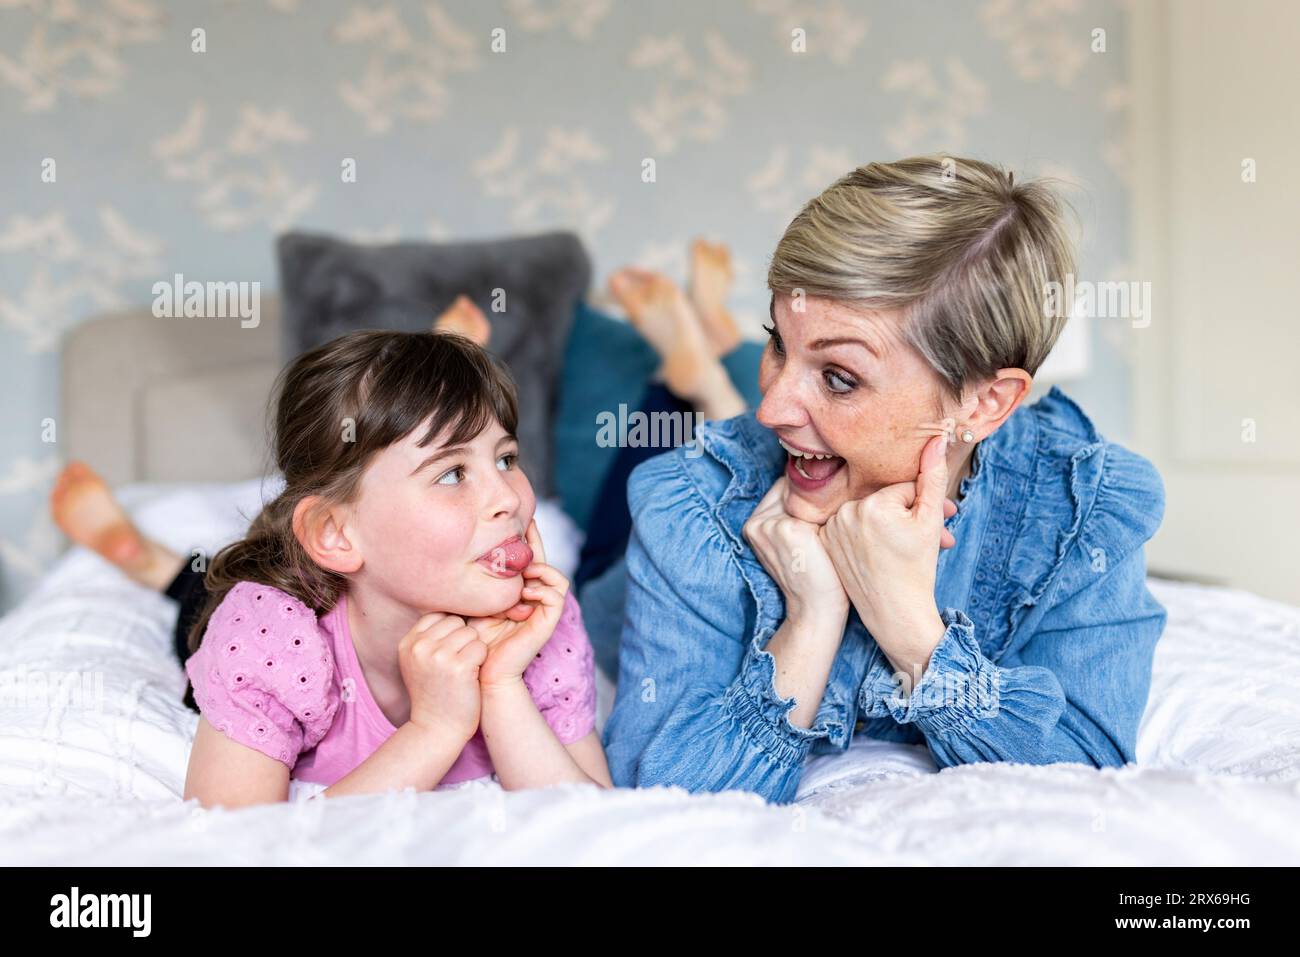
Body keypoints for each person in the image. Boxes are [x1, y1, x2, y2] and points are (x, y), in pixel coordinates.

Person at [596, 155, 1169, 805]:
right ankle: (693, 370)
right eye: (776, 342)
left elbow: (1083, 773)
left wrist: (914, 634)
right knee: (649, 469)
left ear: (984, 404)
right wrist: (811, 619)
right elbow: (665, 795)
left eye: (839, 376)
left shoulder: (1082, 509)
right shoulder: (691, 498)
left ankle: (703, 358)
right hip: (611, 574)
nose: (771, 406)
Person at [53, 311, 610, 808]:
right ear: (338, 537)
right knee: (208, 592)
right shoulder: (268, 635)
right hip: (283, 591)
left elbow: (604, 822)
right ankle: (156, 564)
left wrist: (502, 686)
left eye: (507, 458)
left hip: (331, 537)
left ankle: (419, 389)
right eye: (452, 472)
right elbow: (238, 846)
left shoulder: (541, 623)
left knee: (338, 503)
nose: (509, 499)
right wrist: (434, 728)